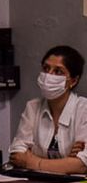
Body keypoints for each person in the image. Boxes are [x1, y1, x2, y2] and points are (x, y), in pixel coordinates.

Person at [9, 45, 87, 174]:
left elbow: (82, 165)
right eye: (46, 68)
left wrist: (33, 162)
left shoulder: (84, 110)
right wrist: (67, 162)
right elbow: (17, 154)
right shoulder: (32, 107)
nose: (48, 75)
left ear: (73, 81)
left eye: (58, 71)